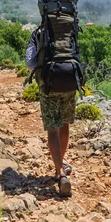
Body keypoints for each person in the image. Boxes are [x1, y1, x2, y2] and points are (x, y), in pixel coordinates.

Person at [25, 27, 76, 197]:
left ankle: (60, 173)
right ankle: (59, 167)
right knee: (65, 124)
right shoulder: (70, 28)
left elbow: (29, 62)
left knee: (53, 129)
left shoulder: (38, 33)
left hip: (48, 84)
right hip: (69, 80)